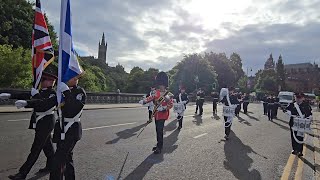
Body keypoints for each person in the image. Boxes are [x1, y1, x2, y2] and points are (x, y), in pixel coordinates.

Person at [0, 72, 58, 180]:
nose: (41, 82)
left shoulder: (53, 94)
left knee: (36, 148)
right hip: (40, 121)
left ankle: (23, 173)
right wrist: (10, 95)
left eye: (43, 80)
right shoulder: (40, 91)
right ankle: (51, 165)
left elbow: (43, 105)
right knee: (47, 146)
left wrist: (32, 98)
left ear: (51, 82)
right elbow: (24, 94)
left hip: (46, 122)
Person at [50, 76, 86, 180]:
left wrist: (66, 92)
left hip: (71, 130)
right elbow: (47, 103)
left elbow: (72, 109)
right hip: (61, 128)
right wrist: (27, 103)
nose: (75, 78)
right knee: (67, 158)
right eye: (72, 76)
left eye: (76, 77)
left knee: (57, 161)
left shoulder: (79, 92)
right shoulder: (61, 91)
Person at [143, 72, 173, 154]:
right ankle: (158, 144)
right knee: (157, 130)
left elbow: (170, 104)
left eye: (161, 85)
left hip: (163, 114)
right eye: (159, 85)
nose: (160, 86)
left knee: (160, 130)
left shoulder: (168, 95)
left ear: (164, 85)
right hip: (156, 114)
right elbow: (151, 97)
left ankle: (159, 147)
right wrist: (144, 101)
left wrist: (164, 108)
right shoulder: (157, 92)